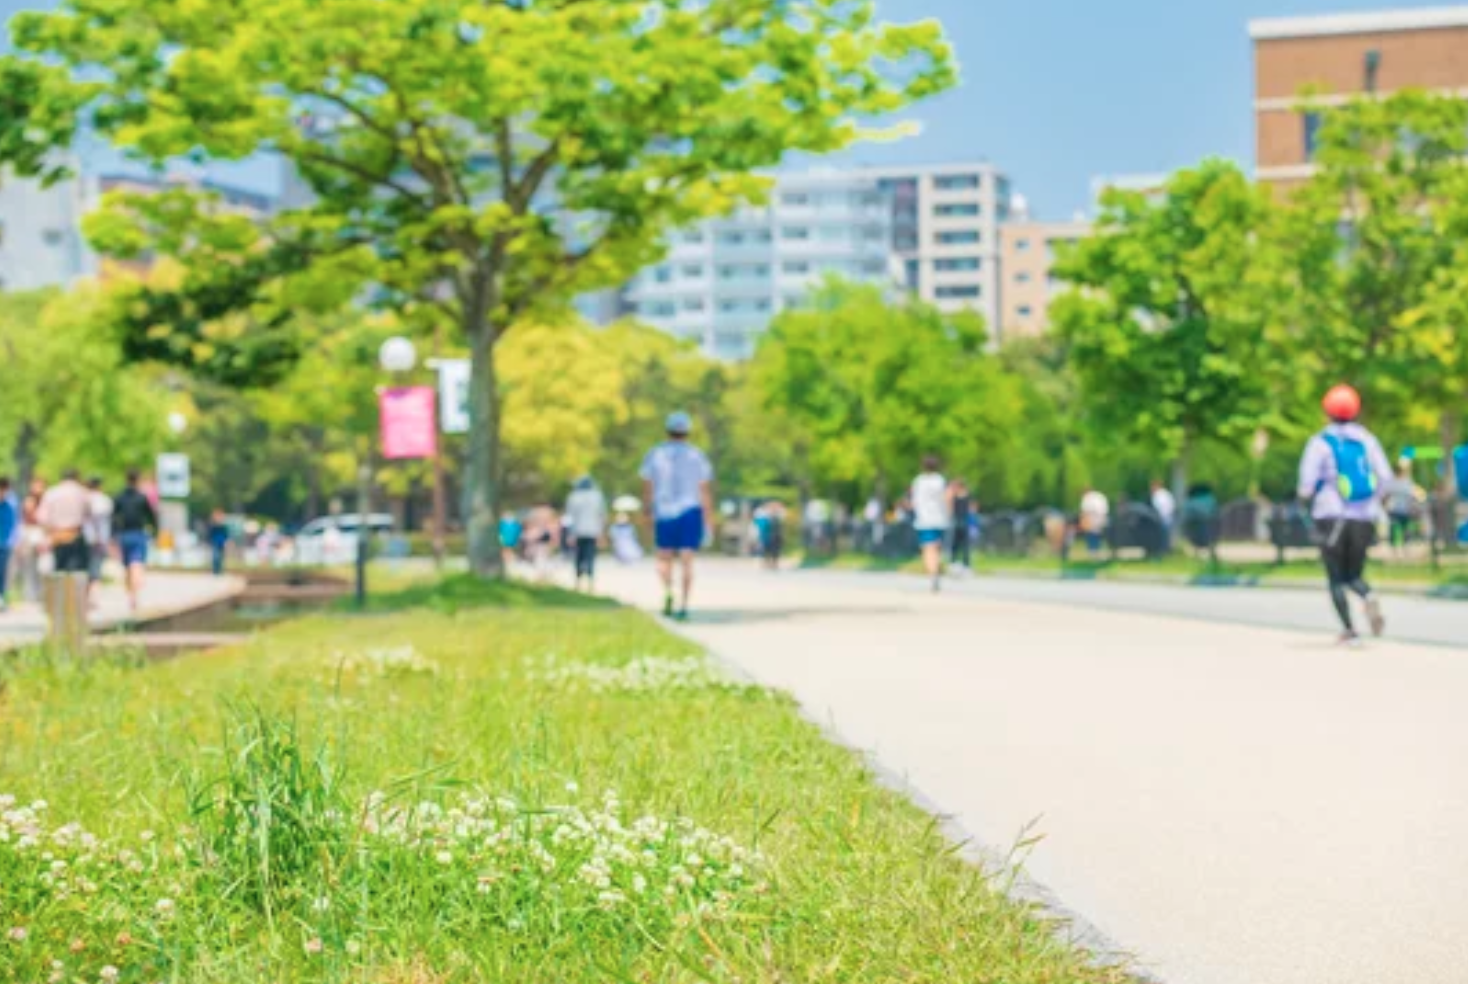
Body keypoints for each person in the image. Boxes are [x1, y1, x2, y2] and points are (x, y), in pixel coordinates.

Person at [1298, 384, 1393, 645]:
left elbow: (1306, 485)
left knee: (1336, 577)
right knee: (1355, 574)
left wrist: (1305, 502)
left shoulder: (1320, 442)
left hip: (1331, 515)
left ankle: (1350, 631)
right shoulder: (1367, 440)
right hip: (1365, 517)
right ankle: (1367, 594)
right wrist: (1374, 502)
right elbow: (1385, 478)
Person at [640, 410, 714, 620]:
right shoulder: (697, 455)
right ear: (687, 432)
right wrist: (708, 519)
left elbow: (648, 486)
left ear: (667, 431)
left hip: (664, 511)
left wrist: (646, 510)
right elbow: (704, 490)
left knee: (663, 558)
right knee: (687, 559)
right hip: (690, 510)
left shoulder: (655, 454)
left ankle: (668, 591)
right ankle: (684, 603)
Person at [113, 470, 158, 613]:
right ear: (137, 480)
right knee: (137, 564)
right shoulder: (141, 498)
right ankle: (135, 595)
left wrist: (113, 535)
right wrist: (155, 532)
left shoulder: (119, 497)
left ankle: (131, 594)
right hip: (138, 534)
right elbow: (151, 517)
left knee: (127, 566)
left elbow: (113, 517)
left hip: (124, 535)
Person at [38, 470, 93, 579]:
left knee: (58, 572)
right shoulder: (82, 492)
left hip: (57, 536)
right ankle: (75, 596)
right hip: (76, 534)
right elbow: (89, 514)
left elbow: (42, 517)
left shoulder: (52, 492)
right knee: (77, 573)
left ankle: (60, 595)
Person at [911, 455, 950, 592]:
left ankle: (933, 574)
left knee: (928, 549)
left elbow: (914, 501)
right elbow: (947, 498)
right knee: (937, 547)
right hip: (940, 518)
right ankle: (936, 569)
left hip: (924, 519)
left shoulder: (919, 481)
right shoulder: (940, 480)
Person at [565, 476, 608, 592]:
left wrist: (569, 534)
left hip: (577, 532)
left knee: (578, 557)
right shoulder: (598, 497)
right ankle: (590, 583)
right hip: (593, 532)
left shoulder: (573, 497)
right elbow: (602, 516)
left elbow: (569, 517)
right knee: (590, 557)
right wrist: (602, 533)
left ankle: (578, 583)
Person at [1380, 459, 1422, 556]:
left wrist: (1384, 506)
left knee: (1400, 529)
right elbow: (1413, 496)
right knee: (1400, 529)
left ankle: (1400, 549)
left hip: (1400, 509)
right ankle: (1401, 548)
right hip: (1399, 509)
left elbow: (1386, 496)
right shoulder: (1403, 482)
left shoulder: (1399, 482)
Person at [84, 476, 114, 597]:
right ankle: (94, 594)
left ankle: (87, 594)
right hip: (102, 538)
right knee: (96, 567)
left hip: (86, 537)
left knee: (86, 567)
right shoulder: (105, 500)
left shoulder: (84, 498)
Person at [0, 478, 17, 611]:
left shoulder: (8, 507)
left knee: (2, 572)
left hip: (3, 545)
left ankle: (1, 598)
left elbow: (11, 527)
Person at [949, 478, 973, 570]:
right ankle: (957, 561)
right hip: (960, 521)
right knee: (958, 544)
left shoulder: (962, 496)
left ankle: (962, 562)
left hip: (961, 521)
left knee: (961, 544)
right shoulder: (963, 495)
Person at [1079, 486, 1110, 555]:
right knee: (1099, 536)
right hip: (1103, 518)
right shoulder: (1100, 495)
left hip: (1092, 519)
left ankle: (1093, 552)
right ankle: (1098, 551)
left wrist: (1083, 522)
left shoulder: (1087, 498)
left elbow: (1085, 512)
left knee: (1091, 535)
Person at [1150, 479, 1177, 552]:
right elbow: (1173, 506)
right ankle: (1167, 550)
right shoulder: (1166, 493)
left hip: (1162, 519)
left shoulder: (1157, 495)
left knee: (1163, 537)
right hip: (1169, 517)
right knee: (1167, 536)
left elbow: (1156, 509)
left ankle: (1163, 551)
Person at [208, 509, 231, 576]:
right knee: (216, 556)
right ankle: (215, 571)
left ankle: (219, 570)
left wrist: (227, 542)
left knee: (221, 557)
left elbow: (226, 535)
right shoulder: (213, 525)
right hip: (215, 542)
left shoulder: (223, 526)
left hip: (222, 543)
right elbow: (210, 534)